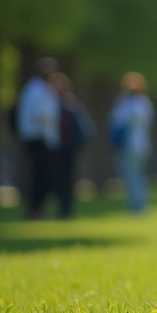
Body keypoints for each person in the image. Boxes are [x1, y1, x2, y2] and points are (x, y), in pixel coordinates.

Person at [16, 57, 61, 219]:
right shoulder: (36, 90)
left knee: (42, 175)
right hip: (37, 137)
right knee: (42, 175)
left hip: (43, 137)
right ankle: (35, 209)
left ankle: (37, 208)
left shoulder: (40, 89)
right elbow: (40, 115)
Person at [108, 72, 154, 214]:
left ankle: (136, 206)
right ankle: (140, 204)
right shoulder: (145, 103)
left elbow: (116, 121)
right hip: (143, 144)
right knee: (139, 175)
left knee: (131, 175)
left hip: (129, 145)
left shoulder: (125, 103)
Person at [49, 72, 93, 219]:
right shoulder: (71, 103)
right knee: (64, 178)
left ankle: (65, 208)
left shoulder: (61, 103)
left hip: (64, 145)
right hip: (66, 145)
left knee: (64, 178)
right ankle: (65, 208)